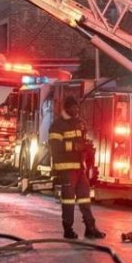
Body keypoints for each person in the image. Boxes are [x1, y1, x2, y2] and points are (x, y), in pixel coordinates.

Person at [48, 96, 106, 240]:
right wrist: (74, 146)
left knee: (85, 198)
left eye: (77, 108)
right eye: (73, 108)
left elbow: (82, 140)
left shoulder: (79, 123)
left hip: (80, 168)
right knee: (68, 200)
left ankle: (90, 228)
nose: (76, 110)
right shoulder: (57, 125)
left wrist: (87, 148)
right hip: (66, 168)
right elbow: (54, 147)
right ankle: (68, 229)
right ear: (66, 108)